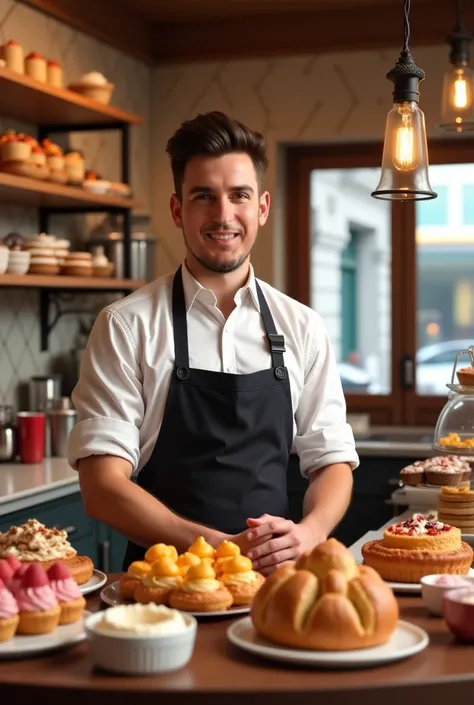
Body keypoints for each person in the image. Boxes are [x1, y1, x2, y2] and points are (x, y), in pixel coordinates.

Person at [68, 111, 359, 576]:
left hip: (272, 581)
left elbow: (332, 462)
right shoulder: (126, 325)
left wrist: (308, 534)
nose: (223, 215)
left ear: (261, 207)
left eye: (238, 196)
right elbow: (102, 486)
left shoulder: (302, 326)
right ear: (178, 209)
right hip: (159, 587)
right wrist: (219, 548)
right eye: (204, 196)